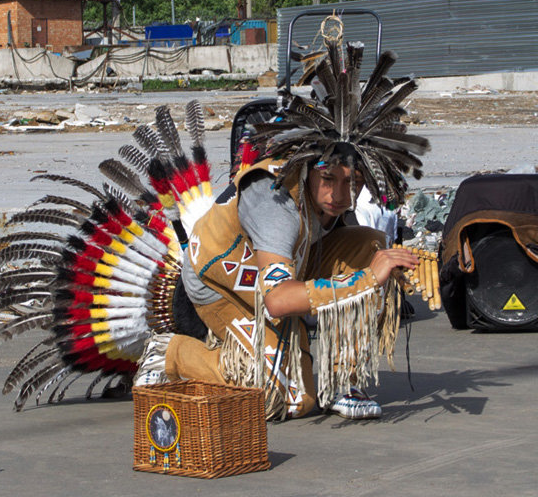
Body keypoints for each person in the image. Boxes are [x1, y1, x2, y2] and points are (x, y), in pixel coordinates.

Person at [136, 38, 429, 421]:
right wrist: (367, 280)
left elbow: (341, 260)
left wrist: (396, 264)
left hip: (285, 265)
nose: (340, 195)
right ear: (309, 168)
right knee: (285, 398)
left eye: (351, 182)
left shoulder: (330, 199)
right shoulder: (276, 204)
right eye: (329, 179)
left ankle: (343, 377)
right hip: (221, 279)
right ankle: (170, 353)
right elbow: (276, 301)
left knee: (376, 247)